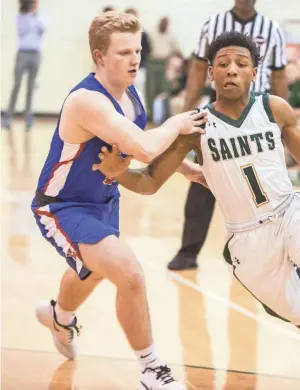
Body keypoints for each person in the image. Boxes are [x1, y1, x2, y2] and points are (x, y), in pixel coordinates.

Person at [94, 31, 300, 377]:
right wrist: (120, 172)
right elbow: (150, 181)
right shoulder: (195, 126)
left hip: (289, 212)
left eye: (241, 63)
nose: (231, 70)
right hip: (246, 239)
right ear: (211, 74)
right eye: (222, 64)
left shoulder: (273, 108)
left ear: (254, 72)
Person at [31, 11, 207, 390]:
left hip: (105, 200)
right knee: (129, 273)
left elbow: (130, 146)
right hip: (62, 206)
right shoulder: (86, 101)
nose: (135, 60)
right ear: (99, 56)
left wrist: (186, 169)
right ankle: (151, 370)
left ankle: (59, 316)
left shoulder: (129, 93)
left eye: (137, 51)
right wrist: (176, 124)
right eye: (124, 52)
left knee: (93, 270)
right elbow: (143, 149)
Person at [168, 0, 289, 271]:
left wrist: (282, 122)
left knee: (261, 184)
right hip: (220, 104)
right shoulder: (213, 24)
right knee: (205, 177)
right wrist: (188, 112)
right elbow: (199, 68)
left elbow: (280, 76)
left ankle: (266, 252)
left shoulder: (272, 29)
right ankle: (188, 251)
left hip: (259, 108)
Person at [2, 0, 46, 133]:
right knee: (16, 86)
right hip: (23, 53)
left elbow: (42, 29)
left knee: (31, 87)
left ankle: (28, 118)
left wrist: (35, 15)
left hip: (36, 54)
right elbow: (22, 31)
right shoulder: (21, 17)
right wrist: (29, 16)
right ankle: (8, 117)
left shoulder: (40, 16)